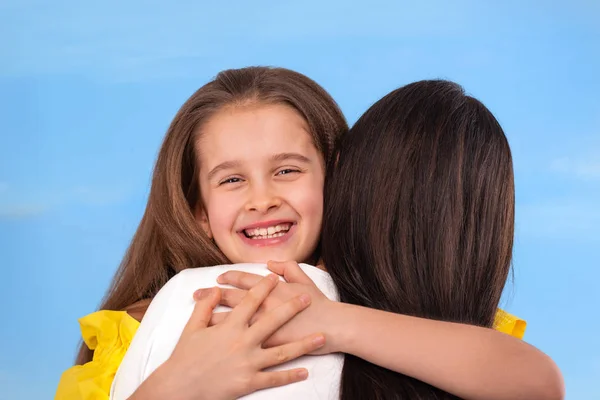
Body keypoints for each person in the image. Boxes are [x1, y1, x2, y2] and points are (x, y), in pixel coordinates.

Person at [101, 74, 560, 400]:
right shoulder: (150, 321)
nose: (262, 199)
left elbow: (539, 383)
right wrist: (178, 386)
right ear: (198, 212)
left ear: (337, 180)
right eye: (231, 180)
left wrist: (333, 323)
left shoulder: (400, 314)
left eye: (287, 170)